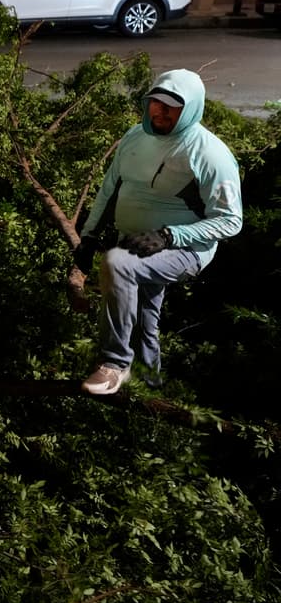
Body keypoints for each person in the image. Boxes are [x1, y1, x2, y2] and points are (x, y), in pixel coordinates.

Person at [75, 70, 242, 394]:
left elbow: (230, 221)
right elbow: (109, 189)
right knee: (142, 318)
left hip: (186, 250)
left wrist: (169, 236)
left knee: (118, 264)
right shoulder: (135, 136)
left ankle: (114, 365)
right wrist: (89, 236)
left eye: (172, 107)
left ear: (191, 109)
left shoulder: (209, 154)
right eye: (156, 103)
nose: (161, 112)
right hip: (138, 243)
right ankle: (148, 386)